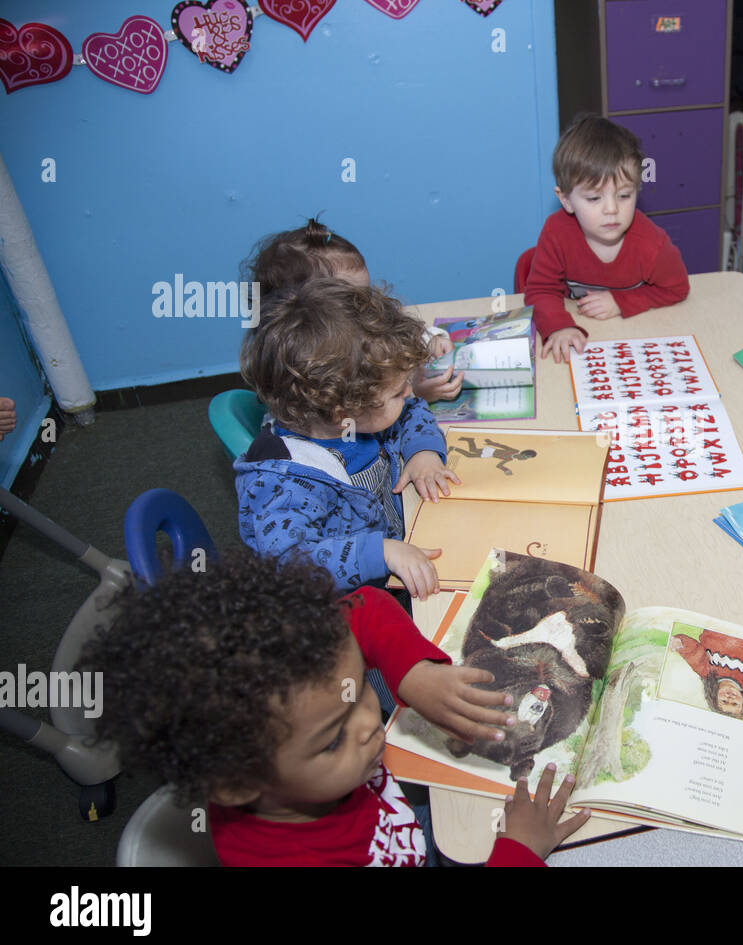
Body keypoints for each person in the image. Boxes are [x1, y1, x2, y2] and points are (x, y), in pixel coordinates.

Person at [78, 552, 590, 866]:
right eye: (331, 738)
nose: (370, 724)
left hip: (396, 822)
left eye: (356, 690)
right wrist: (520, 853)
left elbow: (365, 609)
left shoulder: (296, 705)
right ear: (237, 784)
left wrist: (414, 672)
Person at [236, 278, 457, 598]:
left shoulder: (358, 417)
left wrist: (423, 451)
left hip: (409, 533)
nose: (409, 392)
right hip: (357, 600)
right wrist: (379, 553)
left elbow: (412, 411)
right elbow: (288, 565)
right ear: (343, 411)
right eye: (397, 392)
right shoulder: (284, 483)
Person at [525, 115, 690, 364]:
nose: (611, 209)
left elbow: (677, 288)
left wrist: (622, 302)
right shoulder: (556, 232)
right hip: (577, 338)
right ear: (566, 199)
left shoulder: (652, 245)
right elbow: (540, 290)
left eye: (624, 195)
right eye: (594, 199)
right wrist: (558, 326)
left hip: (630, 338)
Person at [245, 218, 462, 403]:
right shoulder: (315, 372)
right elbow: (366, 416)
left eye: (366, 294)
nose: (369, 307)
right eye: (355, 300)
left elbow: (393, 330)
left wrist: (431, 340)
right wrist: (414, 395)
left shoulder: (356, 321)